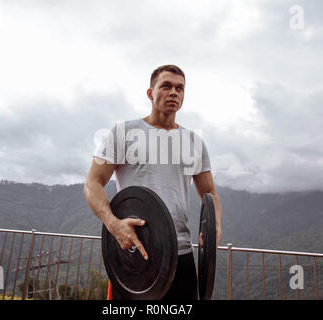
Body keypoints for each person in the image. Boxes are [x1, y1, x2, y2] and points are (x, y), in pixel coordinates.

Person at [83, 64, 222, 300]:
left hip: (182, 253)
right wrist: (114, 225)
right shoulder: (123, 133)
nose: (173, 93)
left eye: (180, 88)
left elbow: (210, 194)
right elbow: (92, 184)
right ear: (150, 93)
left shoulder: (193, 142)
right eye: (166, 86)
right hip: (136, 252)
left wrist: (214, 225)